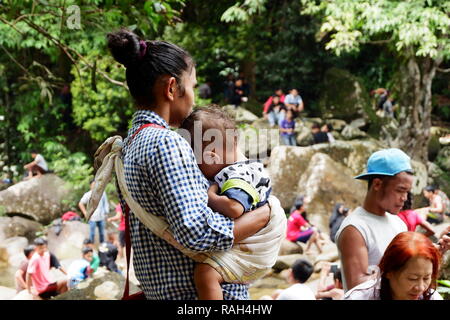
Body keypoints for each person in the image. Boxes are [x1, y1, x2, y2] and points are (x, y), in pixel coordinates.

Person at [106, 29, 273, 300]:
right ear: (172, 88)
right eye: (192, 86)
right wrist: (262, 217)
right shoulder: (166, 143)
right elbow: (197, 233)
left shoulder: (128, 145)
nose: (194, 97)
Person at [180, 106, 285, 300]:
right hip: (257, 245)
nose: (199, 170)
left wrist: (211, 197)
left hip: (258, 248)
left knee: (205, 274)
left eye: (197, 163)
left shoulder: (237, 176)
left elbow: (234, 208)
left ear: (212, 156)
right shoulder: (248, 166)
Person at [335, 148, 450, 292]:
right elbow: (357, 286)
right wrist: (400, 267)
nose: (405, 198)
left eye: (407, 192)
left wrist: (429, 254)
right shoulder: (355, 229)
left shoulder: (398, 222)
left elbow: (407, 266)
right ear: (377, 184)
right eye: (400, 190)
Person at [345, 232, 443, 300]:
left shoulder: (432, 297)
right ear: (389, 272)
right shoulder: (359, 297)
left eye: (426, 278)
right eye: (413, 279)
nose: (421, 288)